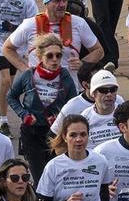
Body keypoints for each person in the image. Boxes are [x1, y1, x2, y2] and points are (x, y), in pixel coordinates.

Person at [7, 35, 78, 184]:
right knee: (40, 179)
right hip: (32, 134)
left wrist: (61, 118)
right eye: (50, 56)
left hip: (55, 134)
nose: (55, 60)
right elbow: (11, 97)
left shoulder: (65, 76)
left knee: (57, 177)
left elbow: (73, 104)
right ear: (40, 56)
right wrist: (24, 114)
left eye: (58, 55)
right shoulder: (28, 75)